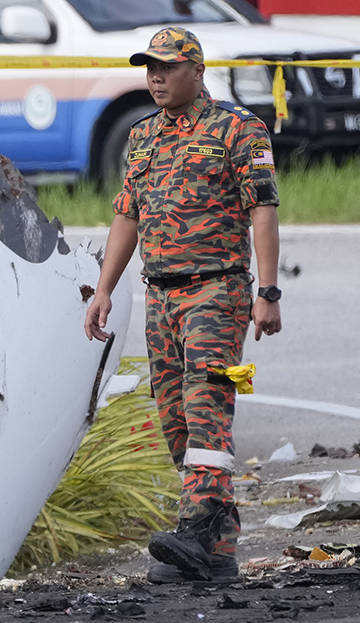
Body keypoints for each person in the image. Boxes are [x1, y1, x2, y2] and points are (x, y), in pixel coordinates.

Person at [83, 26, 282, 584]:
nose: (155, 78)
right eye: (149, 68)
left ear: (197, 71)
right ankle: (215, 548)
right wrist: (104, 288)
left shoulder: (239, 129)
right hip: (161, 293)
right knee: (173, 416)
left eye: (167, 68)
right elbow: (128, 214)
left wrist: (268, 292)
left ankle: (196, 525)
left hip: (218, 290)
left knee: (207, 404)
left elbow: (262, 209)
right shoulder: (143, 136)